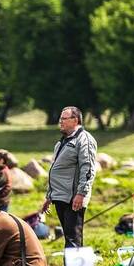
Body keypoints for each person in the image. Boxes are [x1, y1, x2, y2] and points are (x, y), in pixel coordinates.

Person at [41, 106, 97, 248]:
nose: (61, 122)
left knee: (73, 239)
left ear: (75, 120)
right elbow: (55, 170)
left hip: (73, 198)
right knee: (68, 237)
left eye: (64, 119)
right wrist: (49, 196)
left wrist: (81, 193)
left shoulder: (84, 139)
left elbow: (88, 168)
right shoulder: (61, 142)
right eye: (61, 118)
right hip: (60, 196)